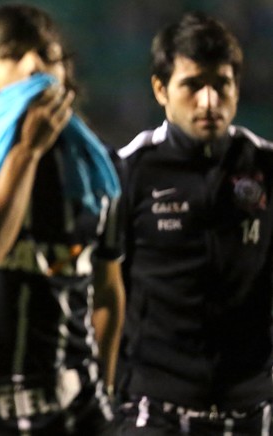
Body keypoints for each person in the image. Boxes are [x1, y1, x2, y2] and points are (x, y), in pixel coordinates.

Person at [0, 4, 125, 435]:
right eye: (13, 54)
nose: (33, 67)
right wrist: (26, 152)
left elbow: (107, 293)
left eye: (47, 56)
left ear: (66, 73)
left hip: (77, 412)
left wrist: (102, 391)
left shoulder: (99, 171)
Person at [116, 12, 273, 435]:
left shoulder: (265, 167)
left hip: (251, 411)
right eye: (192, 85)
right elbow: (101, 290)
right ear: (160, 90)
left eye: (221, 84)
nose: (208, 101)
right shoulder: (130, 173)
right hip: (153, 411)